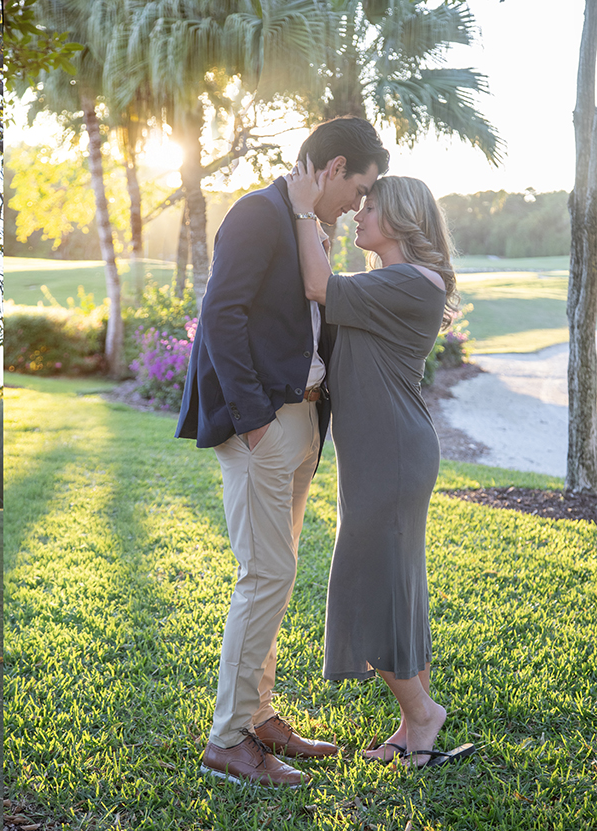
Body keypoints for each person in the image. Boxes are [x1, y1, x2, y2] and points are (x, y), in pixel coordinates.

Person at [174, 116, 389, 787]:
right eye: (359, 188)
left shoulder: (305, 224)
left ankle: (260, 716)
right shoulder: (256, 215)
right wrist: (254, 420)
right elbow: (221, 316)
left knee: (278, 573)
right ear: (333, 168)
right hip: (263, 425)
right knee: (264, 575)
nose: (360, 203)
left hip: (301, 421)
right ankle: (228, 739)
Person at [286, 163, 475, 769]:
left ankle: (423, 716)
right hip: (377, 454)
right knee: (391, 581)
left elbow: (319, 286)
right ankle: (415, 718)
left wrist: (301, 209)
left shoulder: (416, 282)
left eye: (369, 206)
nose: (358, 214)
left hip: (392, 454)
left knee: (368, 584)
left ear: (398, 217)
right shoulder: (391, 280)